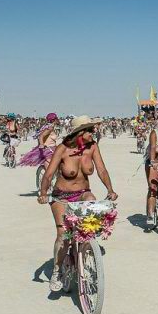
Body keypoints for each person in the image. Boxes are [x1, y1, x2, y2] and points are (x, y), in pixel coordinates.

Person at [37, 116, 118, 292]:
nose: (93, 132)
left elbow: (102, 170)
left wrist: (110, 189)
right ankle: (57, 271)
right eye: (90, 130)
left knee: (91, 201)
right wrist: (43, 194)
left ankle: (87, 248)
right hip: (62, 197)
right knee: (63, 235)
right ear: (80, 132)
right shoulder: (63, 149)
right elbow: (49, 174)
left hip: (82, 193)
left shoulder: (93, 147)